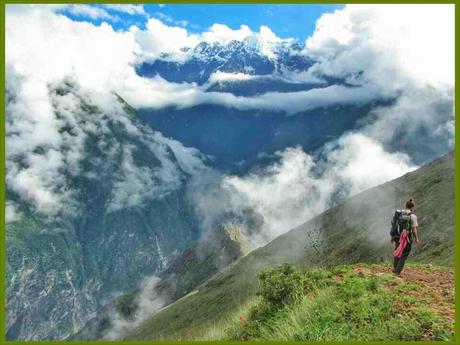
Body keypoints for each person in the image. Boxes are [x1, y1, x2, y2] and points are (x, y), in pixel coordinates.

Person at [392, 198, 419, 275]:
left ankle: (394, 268)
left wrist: (392, 236)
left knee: (397, 250)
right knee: (404, 255)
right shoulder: (413, 216)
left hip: (397, 236)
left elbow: (393, 225)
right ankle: (397, 272)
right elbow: (414, 229)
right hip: (407, 237)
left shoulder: (398, 213)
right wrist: (416, 238)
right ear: (412, 207)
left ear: (405, 205)